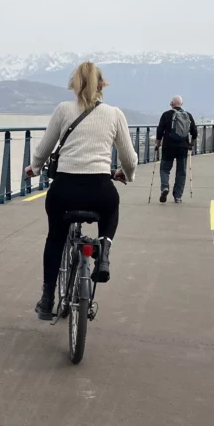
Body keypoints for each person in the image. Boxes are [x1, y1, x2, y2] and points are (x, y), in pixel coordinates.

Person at [25, 62, 138, 321]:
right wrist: (126, 176)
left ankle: (46, 299)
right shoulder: (115, 114)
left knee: (55, 238)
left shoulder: (63, 110)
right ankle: (104, 253)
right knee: (111, 207)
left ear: (74, 85)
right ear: (101, 86)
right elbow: (129, 159)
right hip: (100, 189)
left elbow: (43, 150)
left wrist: (34, 168)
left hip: (64, 190)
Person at [155, 95, 197, 204]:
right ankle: (177, 196)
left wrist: (157, 144)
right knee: (181, 172)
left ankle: (165, 188)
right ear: (181, 104)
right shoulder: (188, 116)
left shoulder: (166, 115)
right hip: (183, 147)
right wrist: (191, 145)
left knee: (164, 169)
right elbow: (194, 132)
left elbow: (159, 131)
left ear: (171, 104)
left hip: (168, 147)